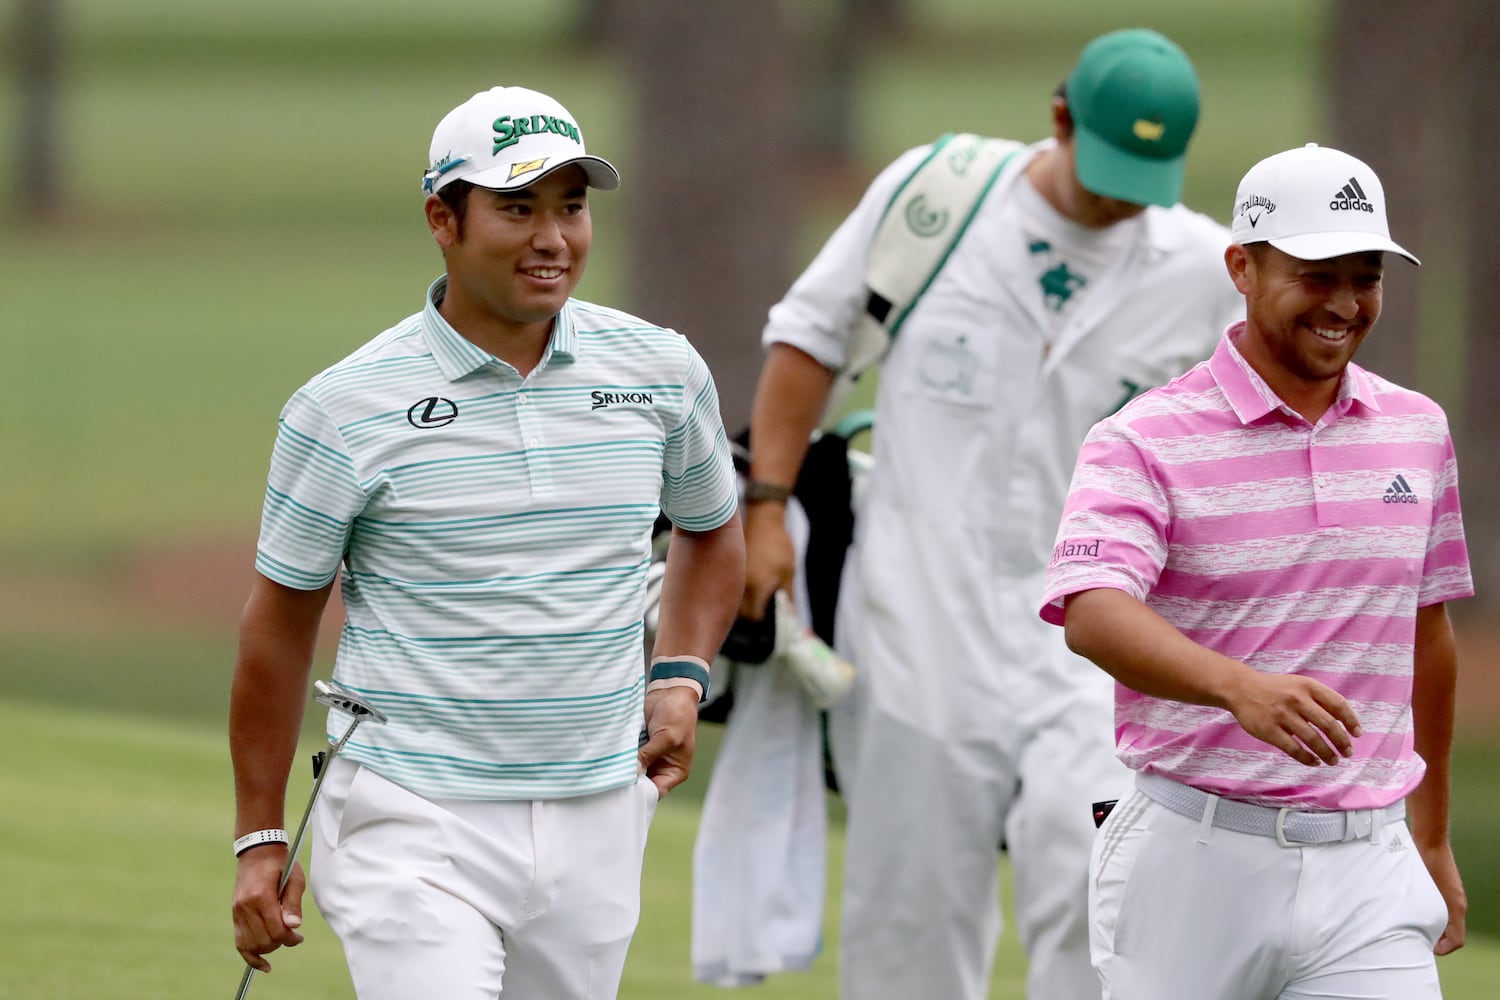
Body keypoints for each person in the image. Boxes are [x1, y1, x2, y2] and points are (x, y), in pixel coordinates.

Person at [740, 28, 1242, 1000]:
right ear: (1059, 119)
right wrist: (765, 508)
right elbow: (807, 339)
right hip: (919, 612)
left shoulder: (1204, 268)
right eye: (1111, 169)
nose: (1126, 195)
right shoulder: (936, 201)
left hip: (1103, 631)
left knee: (1098, 886)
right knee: (910, 909)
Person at [228, 85, 745, 999]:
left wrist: (680, 673)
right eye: (517, 208)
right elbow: (278, 627)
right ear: (444, 218)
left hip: (597, 806)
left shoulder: (660, 371)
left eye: (570, 208)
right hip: (411, 809)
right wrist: (261, 837)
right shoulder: (345, 408)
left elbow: (711, 530)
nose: (552, 238)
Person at [1040, 142, 1470, 999]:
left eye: (1367, 276)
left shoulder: (1417, 431)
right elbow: (1091, 611)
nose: (1346, 303)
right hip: (1192, 860)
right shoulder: (1142, 438)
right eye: (1317, 275)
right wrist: (1240, 688)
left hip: (1369, 869)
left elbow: (1427, 634)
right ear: (1242, 265)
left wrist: (1430, 833)